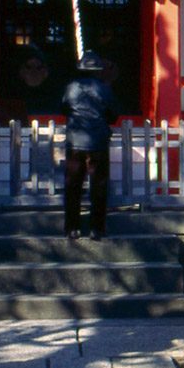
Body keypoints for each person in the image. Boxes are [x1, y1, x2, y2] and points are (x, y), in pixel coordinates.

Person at [61, 51, 117, 240]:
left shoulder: (71, 87)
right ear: (97, 70)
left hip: (76, 140)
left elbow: (63, 109)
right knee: (98, 186)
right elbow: (113, 115)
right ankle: (97, 229)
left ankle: (72, 228)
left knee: (73, 186)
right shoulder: (104, 88)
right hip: (98, 142)